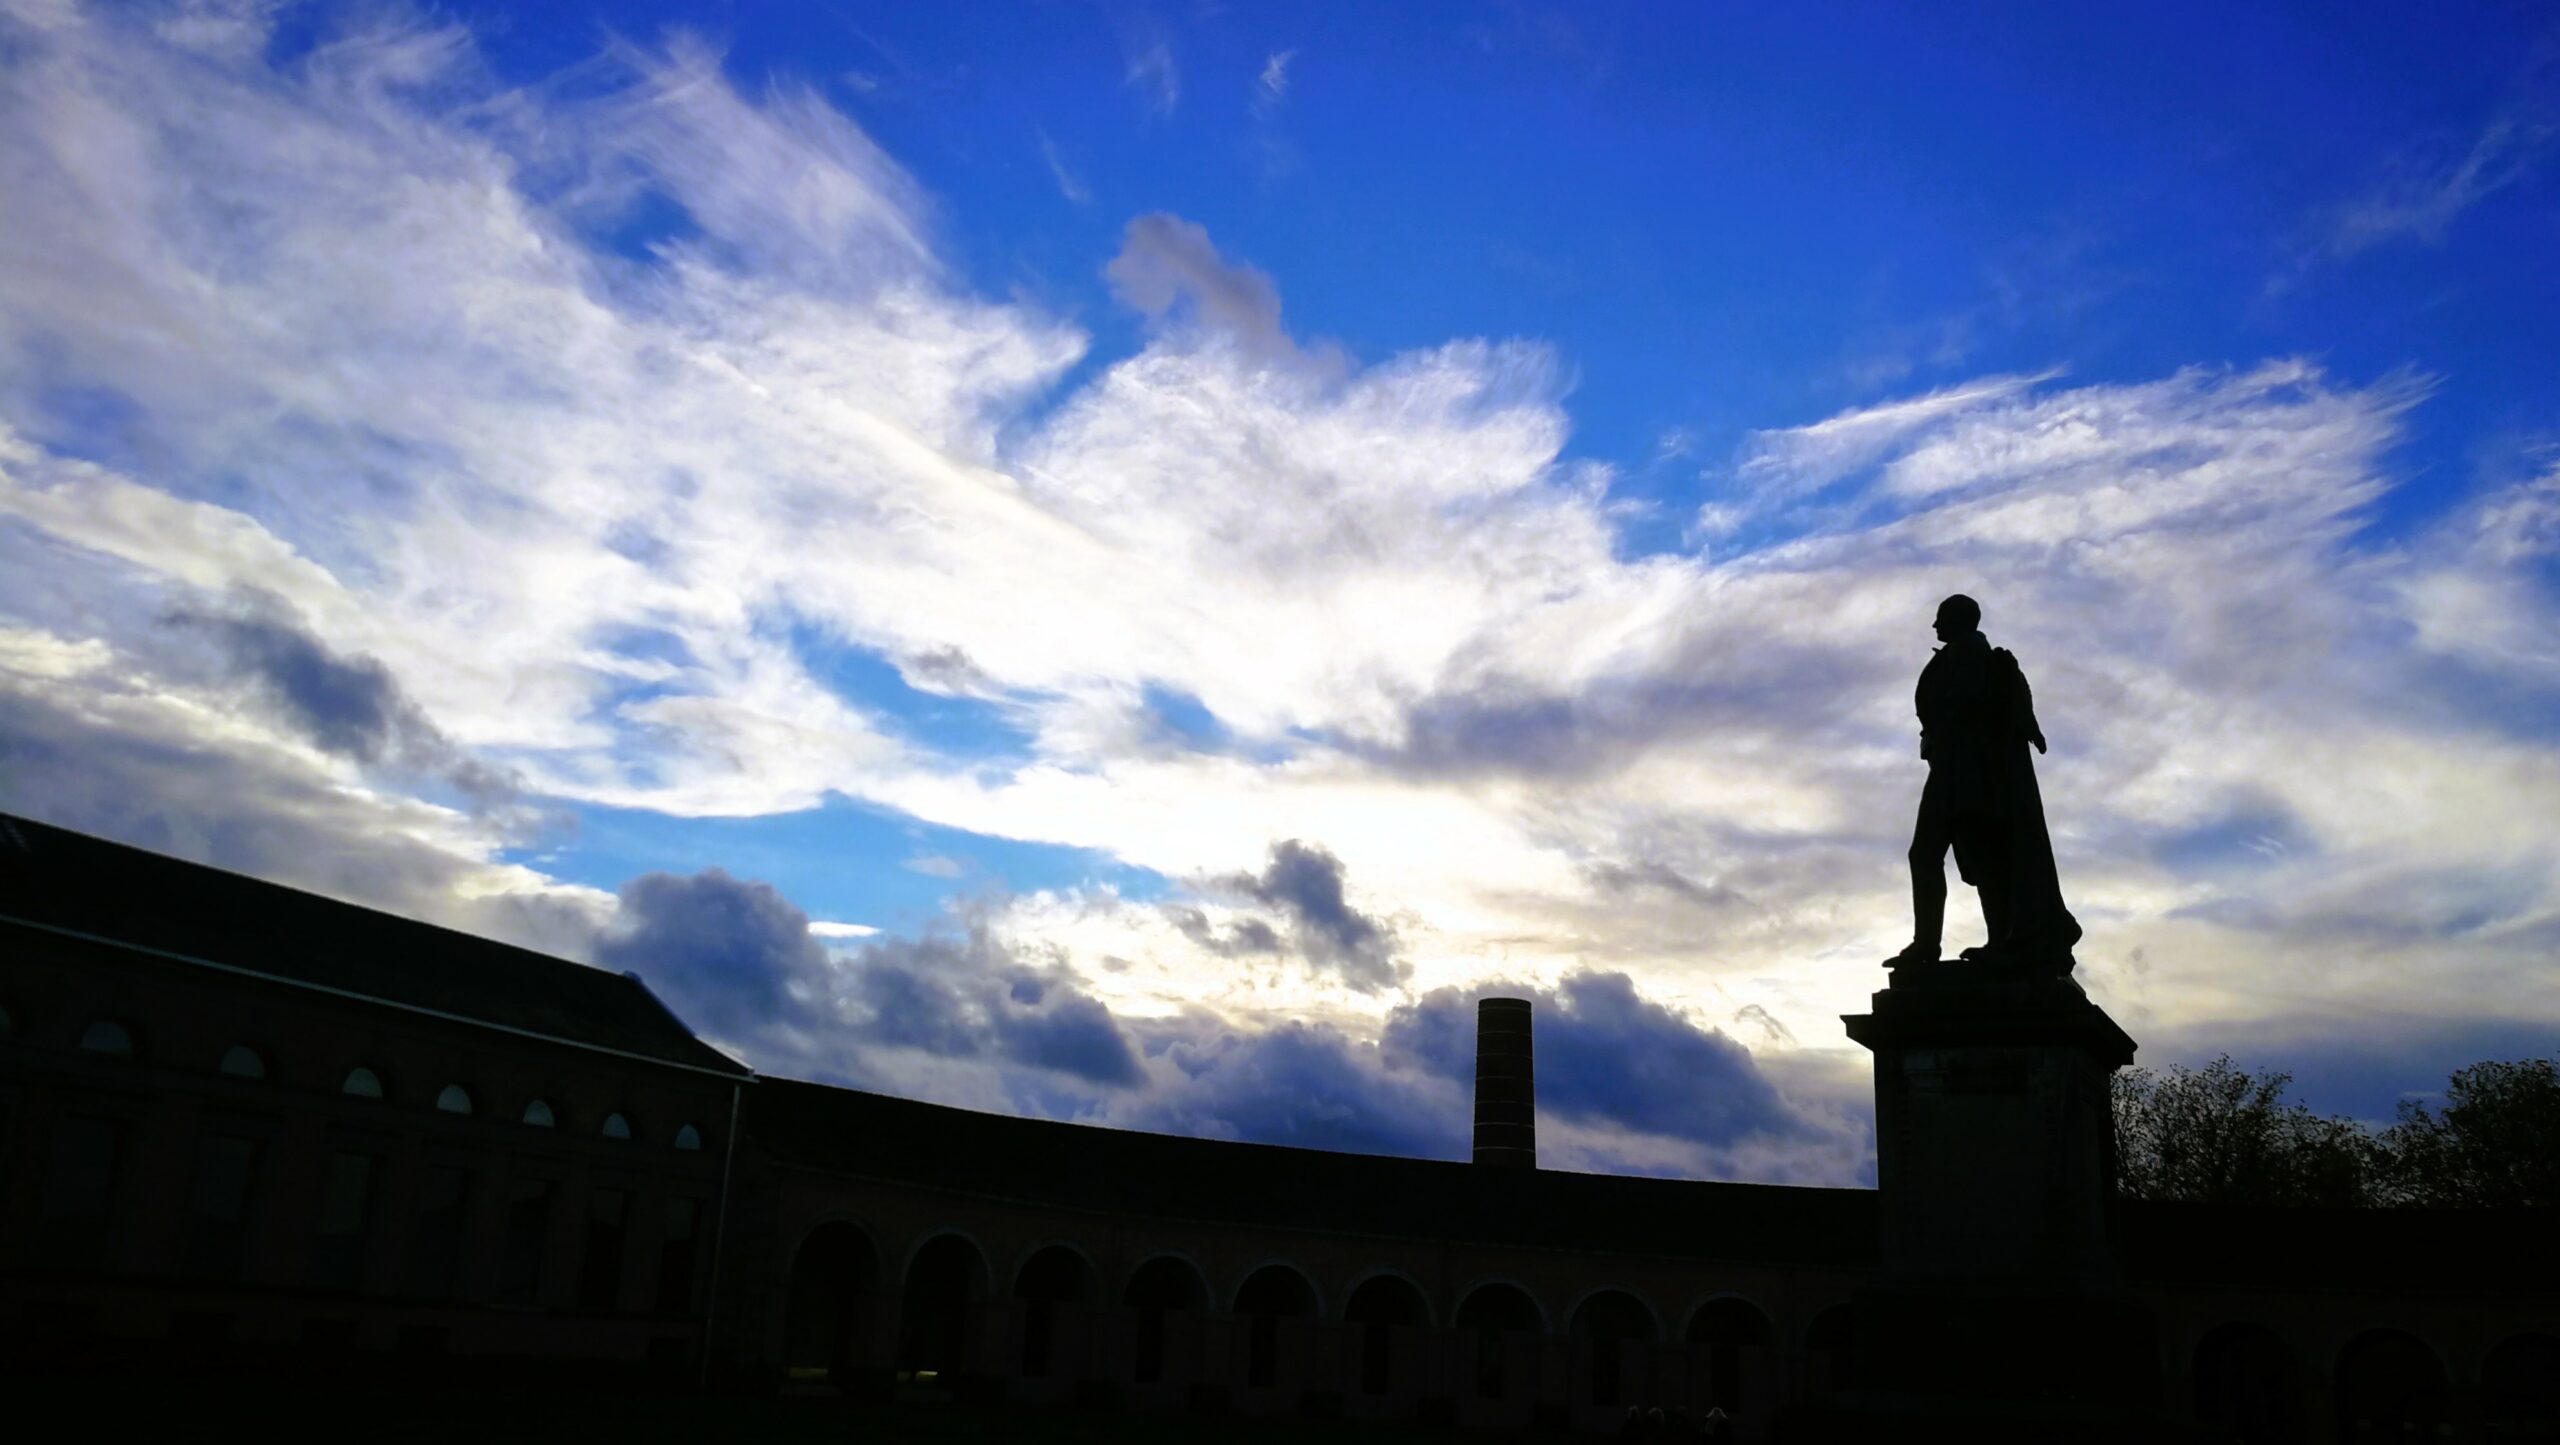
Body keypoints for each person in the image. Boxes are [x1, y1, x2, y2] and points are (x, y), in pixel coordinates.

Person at [1884, 594, 2081, 972]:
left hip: (1966, 773)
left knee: (1969, 855)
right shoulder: (1962, 656)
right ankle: (1944, 943)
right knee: (1959, 855)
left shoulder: (1971, 656)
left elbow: (1970, 712)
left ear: (1960, 620)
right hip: (1952, 770)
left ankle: (1972, 942)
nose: (1934, 625)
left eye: (1941, 618)